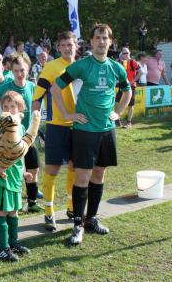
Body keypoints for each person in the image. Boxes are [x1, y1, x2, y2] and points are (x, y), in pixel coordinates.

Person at [52, 24, 131, 244]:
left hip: (106, 130)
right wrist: (69, 113)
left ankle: (91, 219)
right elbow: (55, 88)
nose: (102, 41)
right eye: (97, 38)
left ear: (110, 42)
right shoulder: (82, 66)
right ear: (91, 41)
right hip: (84, 131)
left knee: (99, 175)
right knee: (83, 177)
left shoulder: (117, 68)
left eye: (105, 38)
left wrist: (118, 112)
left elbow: (127, 90)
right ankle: (77, 224)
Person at [32, 31, 78, 230]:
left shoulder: (82, 66)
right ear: (58, 48)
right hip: (56, 127)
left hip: (79, 127)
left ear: (76, 45)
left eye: (71, 44)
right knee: (52, 170)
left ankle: (71, 207)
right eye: (63, 45)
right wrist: (34, 122)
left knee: (74, 168)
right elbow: (37, 97)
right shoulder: (50, 67)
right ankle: (49, 212)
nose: (67, 48)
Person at [0, 91, 31, 261]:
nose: (9, 110)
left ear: (20, 109)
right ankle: (2, 248)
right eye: (6, 107)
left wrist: (24, 171)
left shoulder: (22, 128)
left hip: (16, 175)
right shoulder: (0, 128)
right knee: (2, 211)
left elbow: (21, 152)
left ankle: (14, 242)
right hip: (3, 176)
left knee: (14, 211)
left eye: (13, 107)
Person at [0, 56, 41, 213]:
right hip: (10, 139)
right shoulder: (5, 87)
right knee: (13, 171)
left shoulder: (32, 86)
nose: (19, 74)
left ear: (28, 69)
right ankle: (8, 202)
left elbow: (36, 110)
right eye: (16, 71)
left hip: (28, 137)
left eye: (22, 70)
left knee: (33, 169)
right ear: (11, 71)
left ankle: (32, 202)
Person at [116, 47, 138, 128]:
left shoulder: (133, 62)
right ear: (122, 54)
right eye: (124, 53)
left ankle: (129, 122)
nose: (125, 54)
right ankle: (117, 120)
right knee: (116, 102)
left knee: (130, 105)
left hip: (131, 86)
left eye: (127, 53)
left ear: (130, 53)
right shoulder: (121, 62)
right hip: (122, 85)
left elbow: (141, 72)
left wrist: (133, 80)